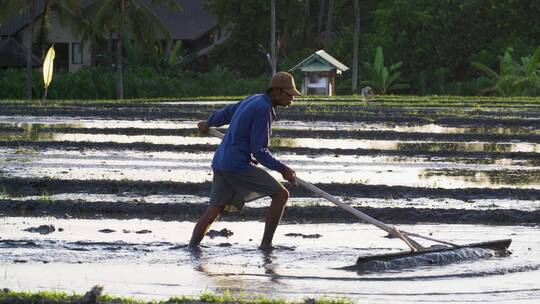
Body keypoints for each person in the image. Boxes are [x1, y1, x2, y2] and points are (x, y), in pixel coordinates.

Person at [189, 71, 300, 250]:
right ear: (277, 91)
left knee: (213, 211)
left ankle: (191, 248)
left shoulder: (253, 99)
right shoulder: (263, 109)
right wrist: (283, 169)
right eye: (289, 95)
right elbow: (259, 151)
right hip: (236, 165)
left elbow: (226, 113)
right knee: (281, 195)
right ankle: (266, 245)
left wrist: (209, 122)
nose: (291, 100)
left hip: (221, 161)